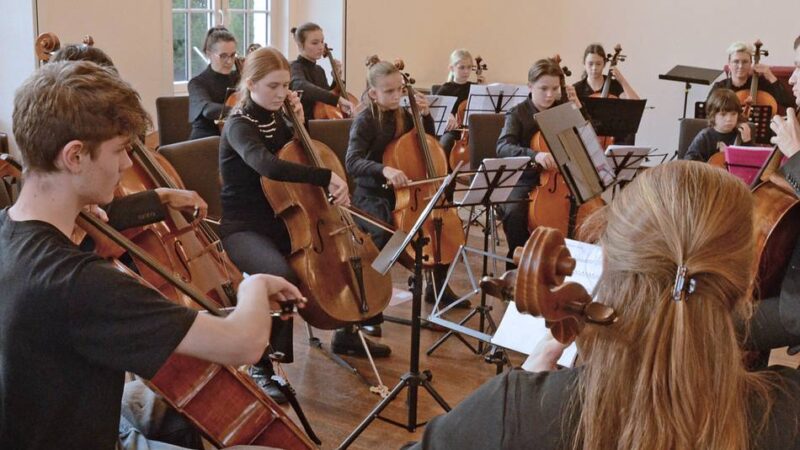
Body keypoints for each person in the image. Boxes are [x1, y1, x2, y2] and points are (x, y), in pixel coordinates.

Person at [1, 60, 302, 450]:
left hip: (43, 415)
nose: (128, 164)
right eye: (119, 151)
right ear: (74, 157)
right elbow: (243, 343)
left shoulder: (10, 228)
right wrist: (254, 285)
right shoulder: (81, 282)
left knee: (174, 407)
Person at [404, 160, 800, 450]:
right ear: (746, 281)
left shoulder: (517, 408)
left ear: (607, 259)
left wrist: (521, 409)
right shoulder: (787, 410)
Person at [219, 46, 390, 391]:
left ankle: (347, 334)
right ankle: (262, 365)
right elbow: (268, 165)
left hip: (290, 221)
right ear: (250, 84)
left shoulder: (279, 117)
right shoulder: (238, 126)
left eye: (285, 86)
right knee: (280, 275)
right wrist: (326, 177)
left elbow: (300, 155)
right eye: (273, 86)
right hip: (246, 227)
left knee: (349, 256)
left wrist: (300, 124)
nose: (281, 93)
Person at [345, 57, 467, 309]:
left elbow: (428, 146)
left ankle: (438, 288)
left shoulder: (405, 115)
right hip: (372, 194)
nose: (396, 96)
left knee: (440, 223)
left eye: (399, 89)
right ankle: (369, 294)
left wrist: (425, 117)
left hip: (406, 192)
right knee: (383, 233)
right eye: (389, 91)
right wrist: (384, 169)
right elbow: (352, 161)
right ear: (373, 93)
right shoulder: (366, 120)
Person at [496, 58, 581, 266]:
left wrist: (579, 112)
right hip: (523, 178)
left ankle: (568, 262)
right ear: (530, 86)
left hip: (559, 179)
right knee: (514, 211)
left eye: (555, 89)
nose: (550, 95)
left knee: (584, 206)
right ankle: (518, 263)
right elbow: (503, 147)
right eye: (543, 88)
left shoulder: (562, 110)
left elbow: (581, 141)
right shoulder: (517, 114)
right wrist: (535, 155)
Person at [288, 22, 353, 123]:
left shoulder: (319, 70)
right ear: (300, 45)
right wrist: (338, 99)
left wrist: (335, 80)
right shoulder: (295, 67)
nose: (321, 47)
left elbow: (325, 100)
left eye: (322, 42)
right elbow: (299, 85)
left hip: (321, 122)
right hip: (305, 124)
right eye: (315, 43)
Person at [707, 41, 794, 113]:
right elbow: (708, 111)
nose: (740, 66)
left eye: (745, 62)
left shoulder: (762, 84)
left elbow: (788, 103)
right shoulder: (720, 87)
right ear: (729, 64)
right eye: (736, 61)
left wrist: (770, 76)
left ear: (751, 64)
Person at [188, 26, 240, 140]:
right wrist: (242, 110)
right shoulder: (197, 83)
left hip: (233, 138)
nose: (229, 61)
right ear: (209, 54)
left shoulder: (238, 78)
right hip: (206, 142)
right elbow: (208, 110)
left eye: (232, 55)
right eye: (223, 56)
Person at [683, 88, 753, 162]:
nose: (729, 119)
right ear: (713, 115)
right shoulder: (705, 136)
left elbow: (753, 162)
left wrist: (747, 142)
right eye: (723, 114)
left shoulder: (742, 135)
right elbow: (689, 161)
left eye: (733, 114)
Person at [436, 49, 484, 157]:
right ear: (451, 68)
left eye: (469, 67)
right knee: (446, 143)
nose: (466, 71)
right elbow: (436, 112)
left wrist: (484, 90)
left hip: (471, 131)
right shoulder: (445, 89)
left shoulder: (474, 88)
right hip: (452, 131)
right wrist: (447, 115)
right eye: (462, 67)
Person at [572, 43, 639, 99]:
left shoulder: (614, 85)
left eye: (598, 64)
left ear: (604, 64)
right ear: (584, 64)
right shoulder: (576, 89)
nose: (594, 68)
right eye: (590, 64)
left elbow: (636, 105)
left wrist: (622, 80)